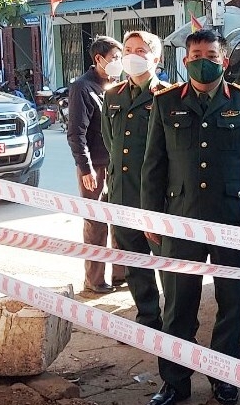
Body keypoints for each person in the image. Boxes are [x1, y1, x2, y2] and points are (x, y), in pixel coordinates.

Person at [141, 29, 240, 405]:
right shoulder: (166, 102)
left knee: (231, 303)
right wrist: (151, 216)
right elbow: (153, 166)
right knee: (178, 304)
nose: (201, 59)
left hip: (232, 221)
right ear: (184, 60)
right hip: (180, 220)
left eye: (210, 53)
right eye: (194, 54)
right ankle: (174, 381)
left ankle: (224, 376)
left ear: (223, 60)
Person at [102, 30, 169, 330]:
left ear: (156, 58)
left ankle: (175, 323)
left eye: (140, 50)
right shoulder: (112, 95)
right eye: (128, 49)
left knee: (167, 264)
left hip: (158, 198)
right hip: (122, 194)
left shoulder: (168, 95)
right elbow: (109, 141)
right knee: (134, 264)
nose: (132, 55)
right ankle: (148, 319)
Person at [67, 35, 126, 296]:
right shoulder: (83, 87)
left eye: (120, 58)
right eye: (114, 58)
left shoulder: (118, 86)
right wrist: (86, 168)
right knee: (96, 224)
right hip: (95, 166)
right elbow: (76, 133)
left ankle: (121, 275)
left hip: (119, 166)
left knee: (121, 223)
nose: (119, 62)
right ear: (98, 59)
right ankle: (95, 280)